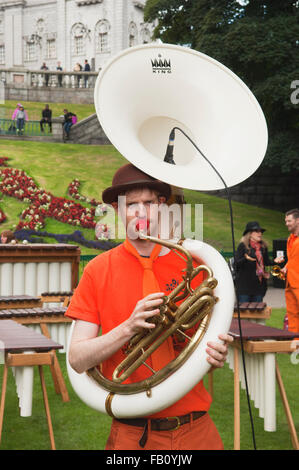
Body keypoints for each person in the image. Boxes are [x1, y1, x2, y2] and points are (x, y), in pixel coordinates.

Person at [66, 163, 233, 450]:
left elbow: (197, 341)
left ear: (161, 207)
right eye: (131, 205)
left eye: (148, 203)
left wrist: (214, 354)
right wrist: (129, 327)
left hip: (196, 428)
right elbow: (78, 358)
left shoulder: (194, 265)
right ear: (118, 211)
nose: (141, 212)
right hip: (134, 435)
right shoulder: (97, 270)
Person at [235, 221, 283, 303]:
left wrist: (275, 261)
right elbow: (236, 264)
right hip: (245, 287)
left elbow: (266, 261)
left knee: (257, 313)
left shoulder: (263, 247)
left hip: (259, 286)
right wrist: (245, 258)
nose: (260, 233)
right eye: (257, 231)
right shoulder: (242, 246)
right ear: (250, 233)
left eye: (260, 232)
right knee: (245, 313)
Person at [281, 209, 299, 334]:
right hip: (290, 283)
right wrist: (286, 267)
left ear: (298, 221)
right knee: (292, 314)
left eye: (289, 221)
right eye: (286, 221)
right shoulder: (290, 239)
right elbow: (293, 258)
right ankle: (295, 344)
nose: (287, 223)